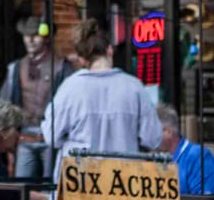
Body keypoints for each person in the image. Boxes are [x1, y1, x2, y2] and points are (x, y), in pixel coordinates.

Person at [39, 21, 163, 158]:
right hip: (123, 174)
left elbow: (51, 136)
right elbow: (152, 139)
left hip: (79, 174)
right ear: (109, 50)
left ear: (81, 60)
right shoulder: (134, 87)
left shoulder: (70, 88)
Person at [0, 20, 72, 180]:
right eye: (27, 35)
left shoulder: (60, 66)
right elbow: (5, 104)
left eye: (35, 35)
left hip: (51, 137)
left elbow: (71, 103)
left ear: (46, 38)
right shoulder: (16, 68)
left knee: (51, 186)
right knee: (22, 187)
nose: (30, 40)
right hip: (24, 136)